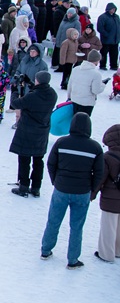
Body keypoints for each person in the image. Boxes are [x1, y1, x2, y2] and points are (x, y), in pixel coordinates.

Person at [41, 112, 104, 268]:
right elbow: (99, 173)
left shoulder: (61, 143)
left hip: (61, 189)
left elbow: (50, 164)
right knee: (77, 226)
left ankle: (45, 250)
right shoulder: (95, 147)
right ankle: (73, 259)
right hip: (82, 192)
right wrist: (92, 190)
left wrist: (56, 181)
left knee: (53, 221)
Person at [9, 70, 57, 197]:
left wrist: (14, 91)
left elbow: (16, 104)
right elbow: (38, 92)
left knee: (24, 159)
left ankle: (23, 186)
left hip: (27, 131)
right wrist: (29, 83)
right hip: (42, 131)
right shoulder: (52, 94)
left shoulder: (33, 96)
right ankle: (36, 188)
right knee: (38, 160)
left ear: (38, 80)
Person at [94, 124, 120, 262]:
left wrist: (92, 194)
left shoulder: (108, 157)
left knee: (108, 227)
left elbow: (100, 179)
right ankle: (118, 250)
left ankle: (106, 254)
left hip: (110, 199)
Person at [67, 49, 106, 116]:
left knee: (74, 121)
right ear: (97, 60)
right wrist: (103, 85)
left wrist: (69, 97)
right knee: (83, 124)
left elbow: (70, 84)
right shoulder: (96, 74)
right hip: (87, 103)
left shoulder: (76, 69)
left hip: (74, 100)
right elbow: (96, 90)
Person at [96, 3, 119, 70]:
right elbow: (100, 28)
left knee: (114, 54)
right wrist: (106, 35)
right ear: (108, 9)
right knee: (103, 54)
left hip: (115, 40)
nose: (113, 10)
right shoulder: (103, 17)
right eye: (112, 9)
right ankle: (102, 65)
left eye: (114, 9)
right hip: (106, 40)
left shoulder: (116, 17)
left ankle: (114, 65)